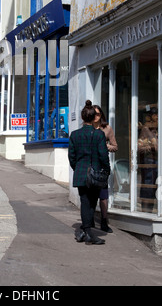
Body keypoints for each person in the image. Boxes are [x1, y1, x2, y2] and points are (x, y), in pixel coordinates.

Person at [69, 100, 110, 245]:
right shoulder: (99, 135)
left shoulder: (74, 135)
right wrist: (107, 170)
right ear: (93, 118)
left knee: (85, 202)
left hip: (81, 172)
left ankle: (84, 231)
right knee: (91, 203)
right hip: (96, 173)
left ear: (82, 118)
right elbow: (103, 155)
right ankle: (88, 233)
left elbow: (71, 157)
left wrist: (78, 168)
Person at [93, 105, 118, 233]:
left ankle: (104, 220)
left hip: (102, 165)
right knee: (90, 194)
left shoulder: (107, 129)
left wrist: (106, 146)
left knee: (103, 195)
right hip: (90, 165)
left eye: (98, 114)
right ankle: (90, 219)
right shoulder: (88, 128)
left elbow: (115, 146)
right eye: (94, 114)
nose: (96, 116)